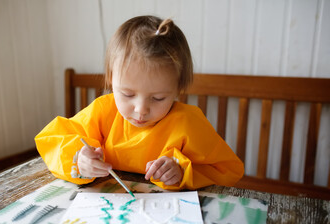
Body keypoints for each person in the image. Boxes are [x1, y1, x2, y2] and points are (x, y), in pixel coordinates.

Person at [35, 15, 244, 190]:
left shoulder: (188, 123)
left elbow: (227, 170)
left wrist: (181, 171)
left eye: (158, 98)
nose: (141, 110)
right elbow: (51, 139)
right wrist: (79, 159)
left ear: (177, 89)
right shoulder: (103, 111)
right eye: (127, 94)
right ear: (110, 79)